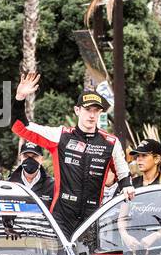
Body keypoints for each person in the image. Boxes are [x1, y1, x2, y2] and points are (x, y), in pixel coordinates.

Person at [10, 73, 134, 236]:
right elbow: (20, 126)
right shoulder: (60, 135)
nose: (91, 115)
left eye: (96, 111)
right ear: (77, 110)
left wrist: (127, 185)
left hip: (93, 216)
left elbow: (122, 171)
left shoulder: (111, 142)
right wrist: (20, 98)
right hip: (62, 216)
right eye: (87, 109)